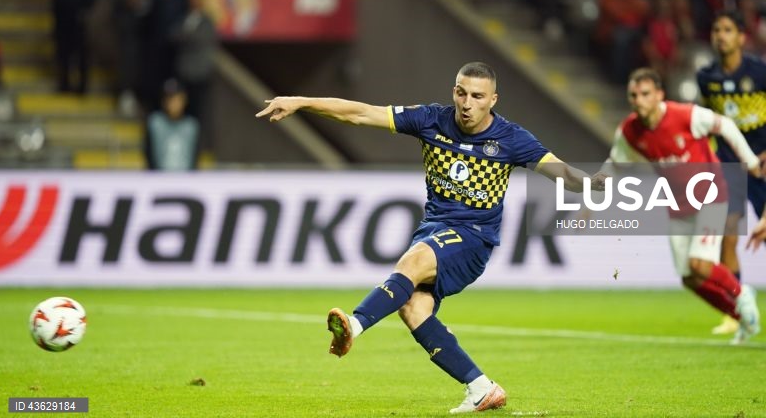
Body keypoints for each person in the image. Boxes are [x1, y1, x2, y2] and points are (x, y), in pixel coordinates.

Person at [256, 62, 606, 413]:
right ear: (454, 91)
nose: (467, 103)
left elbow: (558, 170)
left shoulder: (511, 139)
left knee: (414, 260)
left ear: (492, 99)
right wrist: (301, 101)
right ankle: (481, 388)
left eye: (477, 96)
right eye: (461, 92)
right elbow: (361, 114)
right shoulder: (429, 120)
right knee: (413, 308)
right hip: (434, 229)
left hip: (473, 238)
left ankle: (356, 325)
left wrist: (589, 183)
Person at [608, 67, 761, 344]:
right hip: (678, 206)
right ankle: (742, 318)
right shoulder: (630, 131)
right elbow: (614, 165)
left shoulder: (686, 115)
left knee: (699, 264)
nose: (638, 100)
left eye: (644, 94)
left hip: (711, 196)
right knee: (689, 278)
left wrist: (749, 160)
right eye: (633, 95)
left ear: (659, 95)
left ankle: (742, 294)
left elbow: (724, 125)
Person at [697, 10, 766, 335]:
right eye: (716, 29)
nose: (720, 35)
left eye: (727, 30)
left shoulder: (760, 72)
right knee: (728, 236)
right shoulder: (706, 77)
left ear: (741, 36)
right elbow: (707, 121)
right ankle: (736, 311)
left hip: (763, 164)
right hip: (727, 166)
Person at [109, 0, 167, 116]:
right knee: (129, 58)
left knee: (150, 61)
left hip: (152, 22)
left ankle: (147, 98)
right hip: (129, 20)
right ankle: (126, 94)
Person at [144, 79, 199, 171]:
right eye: (170, 99)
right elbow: (148, 153)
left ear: (184, 99)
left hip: (186, 180)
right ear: (164, 101)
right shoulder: (155, 123)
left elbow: (196, 156)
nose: (174, 103)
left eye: (177, 98)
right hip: (159, 180)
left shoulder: (191, 126)